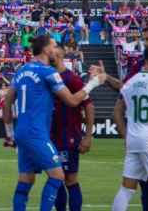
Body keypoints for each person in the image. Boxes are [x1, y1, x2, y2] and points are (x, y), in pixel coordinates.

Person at [2, 35, 104, 211]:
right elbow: (72, 101)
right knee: (58, 176)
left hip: (21, 132)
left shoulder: (21, 70)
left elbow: (8, 102)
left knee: (26, 180)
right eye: (54, 45)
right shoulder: (48, 72)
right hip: (37, 133)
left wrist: (10, 133)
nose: (56, 49)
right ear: (46, 50)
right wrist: (94, 83)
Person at [96, 24, 148, 211]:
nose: (144, 42)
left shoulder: (135, 79)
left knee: (127, 186)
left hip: (137, 135)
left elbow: (123, 91)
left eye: (147, 39)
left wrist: (105, 78)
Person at [50, 45, 95, 211]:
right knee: (55, 179)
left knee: (70, 179)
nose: (49, 54)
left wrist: (88, 136)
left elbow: (88, 106)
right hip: (50, 137)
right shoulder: (47, 76)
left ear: (61, 54)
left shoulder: (72, 79)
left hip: (68, 136)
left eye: (53, 51)